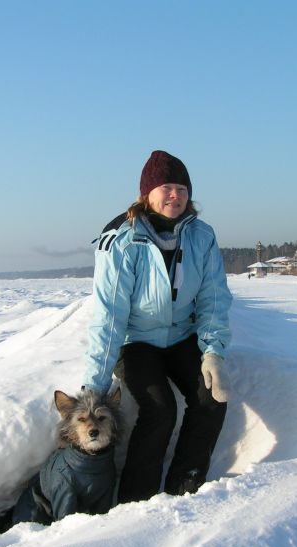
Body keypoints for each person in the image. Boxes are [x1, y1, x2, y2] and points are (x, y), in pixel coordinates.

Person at [82, 150, 232, 503]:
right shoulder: (123, 240)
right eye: (167, 187)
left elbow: (213, 298)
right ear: (146, 193)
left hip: (181, 336)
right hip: (136, 341)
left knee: (210, 398)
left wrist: (213, 352)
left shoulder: (201, 236)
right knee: (160, 410)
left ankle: (186, 487)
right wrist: (95, 386)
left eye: (182, 189)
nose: (175, 195)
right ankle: (136, 500)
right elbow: (109, 315)